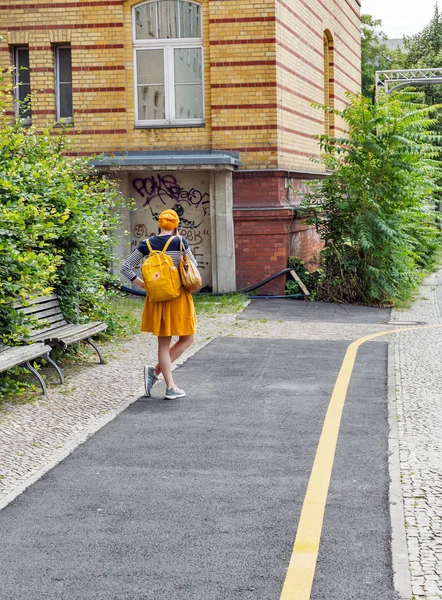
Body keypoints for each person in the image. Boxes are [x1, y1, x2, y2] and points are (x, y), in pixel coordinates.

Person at [121, 209, 198, 400]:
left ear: (159, 224)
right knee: (187, 338)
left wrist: (143, 284)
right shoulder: (180, 242)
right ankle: (170, 386)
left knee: (164, 344)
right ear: (176, 226)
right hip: (178, 297)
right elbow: (193, 266)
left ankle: (155, 373)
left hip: (157, 299)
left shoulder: (147, 244)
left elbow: (125, 267)